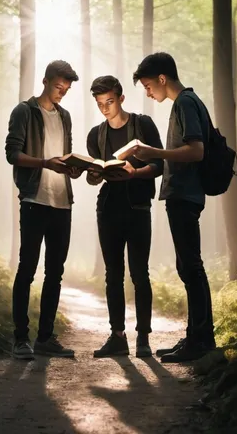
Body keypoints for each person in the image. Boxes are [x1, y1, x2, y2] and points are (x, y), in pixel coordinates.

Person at [126, 52, 216, 363]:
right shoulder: (186, 104)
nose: (148, 92)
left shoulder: (186, 103)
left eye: (149, 85)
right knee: (187, 266)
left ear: (162, 79)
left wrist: (153, 151)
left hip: (186, 194)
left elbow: (196, 151)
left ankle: (202, 341)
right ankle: (195, 336)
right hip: (182, 194)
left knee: (191, 267)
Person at [5, 60, 82, 360]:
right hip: (35, 200)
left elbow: (67, 158)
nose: (62, 93)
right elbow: (13, 154)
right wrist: (45, 163)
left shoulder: (65, 116)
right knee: (27, 269)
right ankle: (20, 338)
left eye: (66, 89)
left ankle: (45, 338)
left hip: (63, 203)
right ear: (46, 81)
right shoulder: (24, 111)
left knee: (55, 273)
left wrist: (77, 168)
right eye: (59, 87)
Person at [86, 75, 164, 358]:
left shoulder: (142, 124)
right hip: (108, 209)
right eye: (99, 104)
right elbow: (96, 177)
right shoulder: (96, 135)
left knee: (140, 273)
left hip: (138, 207)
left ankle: (143, 338)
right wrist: (92, 175)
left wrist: (135, 172)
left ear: (120, 98)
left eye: (109, 101)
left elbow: (158, 165)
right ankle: (117, 336)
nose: (105, 108)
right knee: (112, 275)